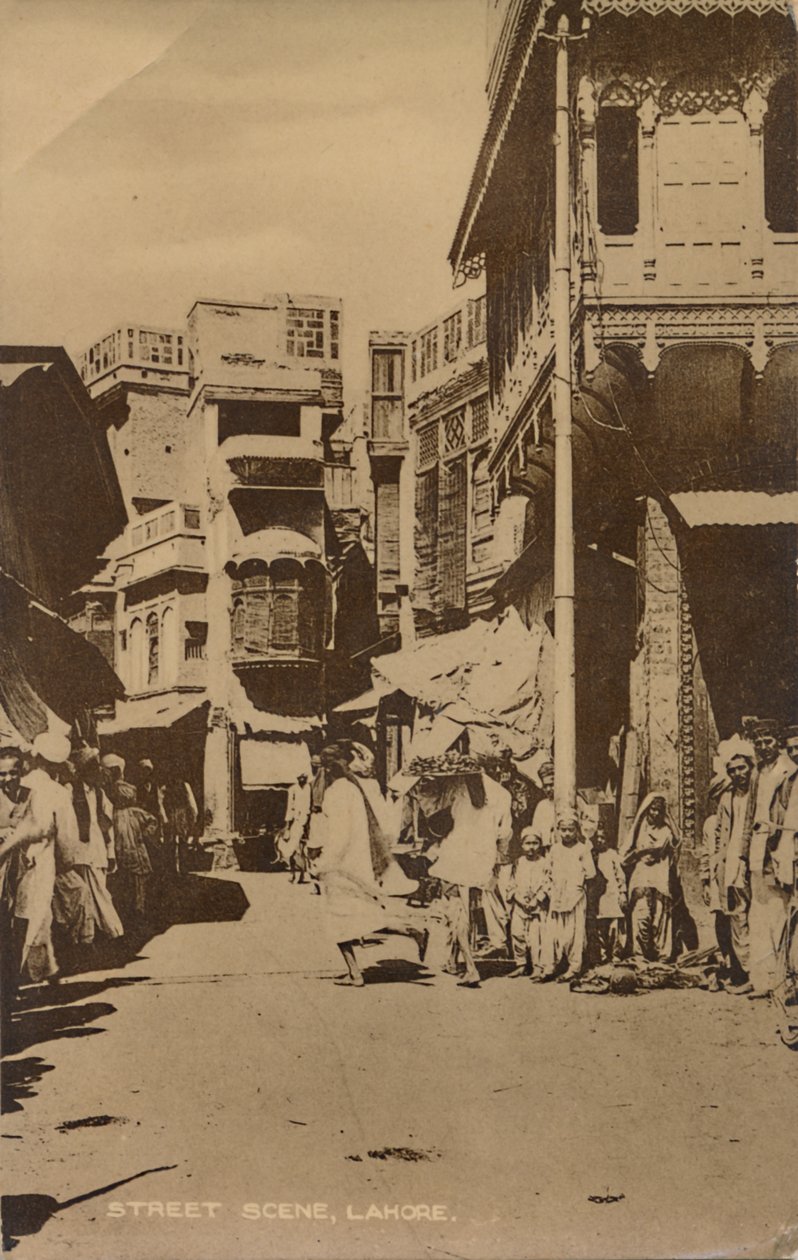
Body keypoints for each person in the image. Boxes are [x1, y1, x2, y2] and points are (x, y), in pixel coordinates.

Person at [312, 742, 427, 988]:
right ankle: (411, 931)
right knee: (363, 917)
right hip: (356, 864)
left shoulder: (337, 792)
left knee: (338, 922)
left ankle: (355, 974)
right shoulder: (353, 788)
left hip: (341, 869)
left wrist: (323, 864)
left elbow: (339, 837)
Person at [418, 758, 511, 989]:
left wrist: (423, 789)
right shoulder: (501, 794)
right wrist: (496, 861)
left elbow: (434, 816)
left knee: (457, 911)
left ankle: (470, 967)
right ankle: (452, 960)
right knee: (470, 910)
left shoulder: (456, 786)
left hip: (455, 856)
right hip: (482, 858)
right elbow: (504, 834)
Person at [741, 719, 794, 998]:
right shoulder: (757, 773)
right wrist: (743, 852)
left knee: (779, 915)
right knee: (758, 915)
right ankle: (761, 979)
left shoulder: (790, 772)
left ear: (778, 742)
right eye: (759, 743)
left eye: (769, 741)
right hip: (758, 853)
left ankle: (783, 979)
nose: (764, 747)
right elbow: (750, 815)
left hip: (779, 849)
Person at [53, 747, 124, 953]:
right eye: (93, 767)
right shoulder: (69, 790)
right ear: (84, 769)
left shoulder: (100, 793)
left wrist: (110, 853)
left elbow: (106, 824)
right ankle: (99, 935)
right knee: (86, 896)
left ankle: (98, 934)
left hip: (97, 850)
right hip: (78, 850)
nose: (98, 772)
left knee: (99, 890)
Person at [702, 741, 755, 993]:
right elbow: (720, 839)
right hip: (732, 864)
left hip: (755, 861)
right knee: (736, 917)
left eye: (741, 768)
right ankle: (744, 972)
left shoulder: (758, 792)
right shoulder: (727, 798)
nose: (737, 774)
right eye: (732, 770)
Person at [620, 791, 679, 963]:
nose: (655, 813)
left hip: (660, 876)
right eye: (652, 809)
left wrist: (670, 819)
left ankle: (661, 954)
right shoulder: (639, 828)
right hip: (642, 876)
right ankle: (640, 954)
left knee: (660, 915)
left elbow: (677, 841)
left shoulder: (666, 830)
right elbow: (624, 856)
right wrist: (639, 853)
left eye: (659, 811)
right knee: (641, 914)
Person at [542, 811, 596, 981]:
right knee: (553, 933)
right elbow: (547, 872)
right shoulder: (555, 849)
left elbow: (591, 874)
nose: (566, 834)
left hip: (575, 897)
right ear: (558, 830)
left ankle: (574, 967)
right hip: (557, 896)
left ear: (576, 830)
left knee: (573, 934)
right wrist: (551, 889)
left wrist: (578, 885)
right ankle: (550, 966)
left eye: (570, 830)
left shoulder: (582, 849)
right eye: (563, 830)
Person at [506, 826, 550, 979]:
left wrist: (537, 899)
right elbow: (511, 883)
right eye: (528, 843)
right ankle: (521, 964)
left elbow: (547, 883)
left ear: (540, 844)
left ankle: (538, 966)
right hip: (520, 905)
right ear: (522, 844)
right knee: (517, 934)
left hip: (537, 907)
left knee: (536, 937)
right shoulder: (518, 863)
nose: (531, 847)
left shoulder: (545, 863)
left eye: (535, 843)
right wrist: (518, 898)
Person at [591, 809, 627, 966]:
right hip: (599, 897)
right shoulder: (592, 855)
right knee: (600, 927)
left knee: (615, 926)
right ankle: (603, 955)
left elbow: (620, 876)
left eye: (603, 837)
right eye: (597, 838)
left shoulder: (613, 855)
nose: (600, 840)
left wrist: (622, 893)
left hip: (612, 894)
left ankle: (616, 954)